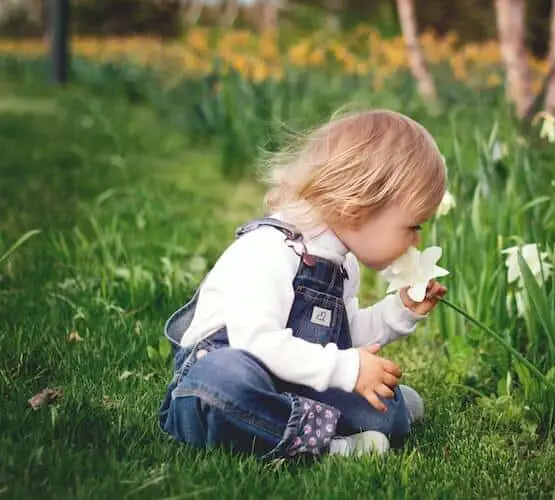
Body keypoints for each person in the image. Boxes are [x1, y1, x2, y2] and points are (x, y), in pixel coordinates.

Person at [157, 109, 448, 460]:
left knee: (387, 411)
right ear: (357, 208)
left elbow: (342, 336)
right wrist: (346, 369)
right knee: (224, 382)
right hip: (224, 378)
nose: (416, 241)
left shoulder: (342, 264)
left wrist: (399, 311)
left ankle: (304, 421)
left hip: (289, 379)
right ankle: (327, 447)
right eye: (412, 226)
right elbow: (257, 343)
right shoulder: (269, 249)